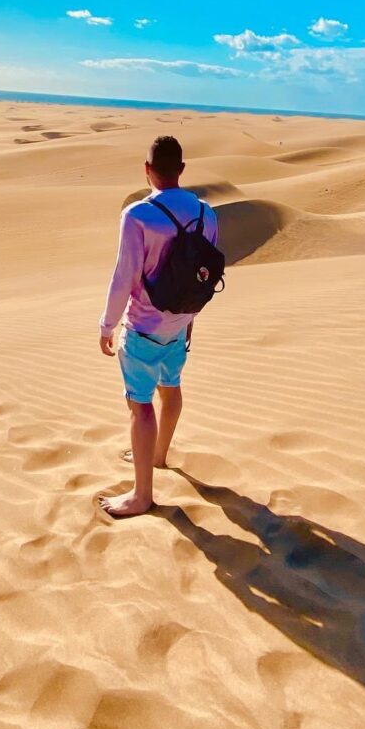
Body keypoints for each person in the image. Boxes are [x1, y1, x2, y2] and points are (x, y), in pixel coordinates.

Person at [98, 135, 219, 518]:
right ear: (182, 170)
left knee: (140, 405)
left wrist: (107, 325)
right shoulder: (206, 213)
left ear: (147, 170)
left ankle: (142, 495)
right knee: (171, 388)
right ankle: (159, 455)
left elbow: (124, 276)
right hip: (181, 323)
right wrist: (190, 321)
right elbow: (204, 274)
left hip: (145, 327)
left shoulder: (137, 215)